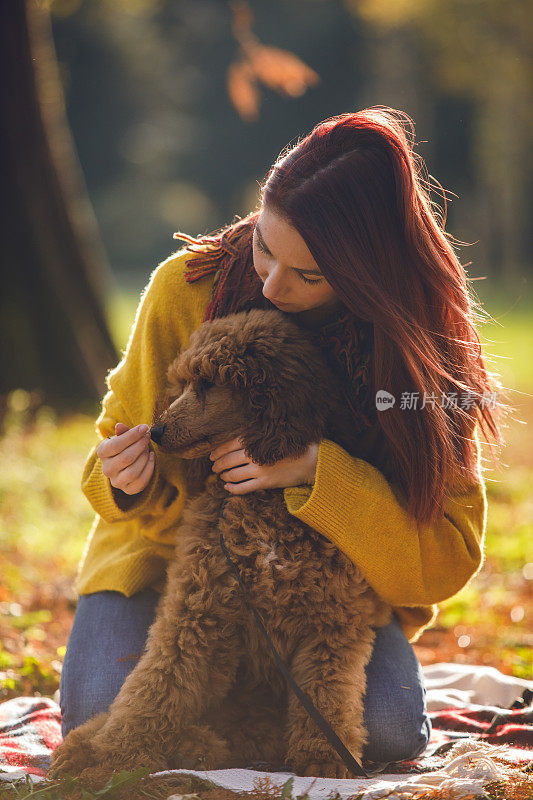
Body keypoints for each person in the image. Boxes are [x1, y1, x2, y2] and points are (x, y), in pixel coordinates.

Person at [59, 107, 503, 769]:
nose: (270, 283)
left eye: (310, 274)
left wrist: (318, 475)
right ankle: (240, 733)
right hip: (167, 576)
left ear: (368, 271)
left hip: (324, 601)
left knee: (384, 734)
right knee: (101, 705)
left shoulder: (419, 349)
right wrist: (133, 481)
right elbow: (108, 458)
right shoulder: (186, 289)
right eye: (265, 246)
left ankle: (227, 737)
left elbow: (442, 561)